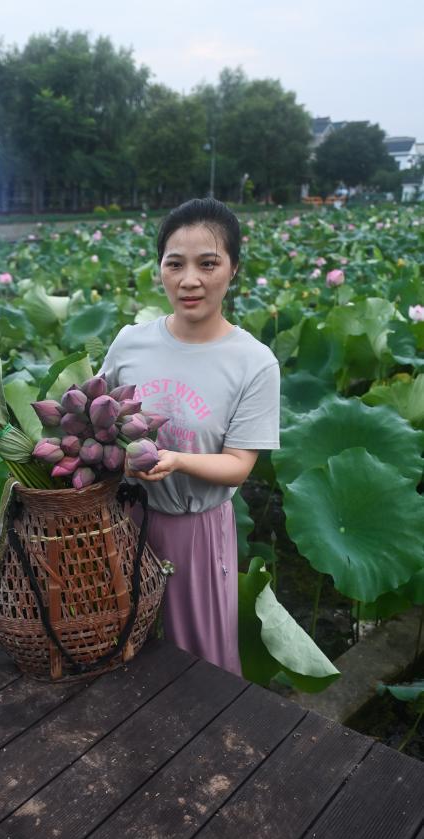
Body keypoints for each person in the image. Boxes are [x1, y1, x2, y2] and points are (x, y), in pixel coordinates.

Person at [100, 198, 280, 676]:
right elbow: (99, 423)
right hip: (121, 516)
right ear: (160, 267)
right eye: (174, 263)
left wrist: (176, 460)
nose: (189, 280)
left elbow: (239, 464)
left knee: (199, 662)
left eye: (208, 263)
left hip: (194, 528)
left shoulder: (254, 361)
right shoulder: (129, 341)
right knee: (116, 649)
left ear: (234, 269)